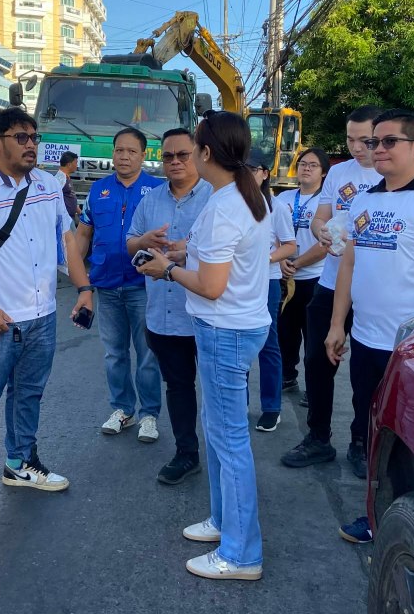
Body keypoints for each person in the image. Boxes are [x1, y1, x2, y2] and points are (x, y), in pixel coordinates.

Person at [0, 107, 94, 524]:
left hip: (43, 315)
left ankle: (21, 463)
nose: (32, 144)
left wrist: (84, 289)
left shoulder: (48, 184)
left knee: (29, 394)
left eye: (34, 137)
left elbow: (67, 242)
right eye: (21, 137)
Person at [138, 111, 271, 581]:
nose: (186, 156)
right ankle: (224, 521)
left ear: (207, 153)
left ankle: (241, 554)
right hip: (238, 326)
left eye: (191, 147)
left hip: (224, 330)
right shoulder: (241, 196)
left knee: (230, 441)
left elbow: (212, 286)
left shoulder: (225, 205)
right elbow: (221, 258)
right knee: (220, 433)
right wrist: (179, 253)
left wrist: (167, 271)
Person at [327, 109, 414, 544]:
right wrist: (337, 324)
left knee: (412, 442)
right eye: (373, 142)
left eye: (389, 142)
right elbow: (349, 263)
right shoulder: (365, 198)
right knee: (372, 429)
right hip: (367, 340)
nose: (378, 149)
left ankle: (411, 525)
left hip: (413, 348)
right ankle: (375, 515)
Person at [280, 106, 382, 472]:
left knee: (368, 372)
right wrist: (322, 229)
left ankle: (361, 443)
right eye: (350, 139)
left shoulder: (392, 177)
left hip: (372, 288)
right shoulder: (338, 172)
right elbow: (323, 215)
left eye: (364, 140)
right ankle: (318, 437)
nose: (356, 147)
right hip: (331, 281)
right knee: (317, 362)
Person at [126, 128, 212, 484]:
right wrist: (143, 242)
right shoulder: (151, 200)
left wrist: (183, 252)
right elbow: (131, 244)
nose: (175, 162)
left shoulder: (216, 198)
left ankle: (227, 457)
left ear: (200, 155)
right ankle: (186, 453)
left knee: (219, 389)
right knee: (178, 387)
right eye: (168, 156)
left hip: (207, 313)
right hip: (163, 314)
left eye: (182, 155)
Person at [76, 128, 164, 441]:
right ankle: (123, 409)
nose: (124, 156)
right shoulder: (97, 190)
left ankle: (149, 414)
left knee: (147, 355)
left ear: (143, 155)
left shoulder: (158, 191)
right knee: (114, 354)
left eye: (131, 151)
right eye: (119, 150)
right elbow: (83, 236)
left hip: (143, 286)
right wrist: (80, 281)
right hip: (107, 286)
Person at [275, 148, 329, 406]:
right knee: (284, 331)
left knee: (314, 337)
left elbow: (326, 244)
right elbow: (271, 232)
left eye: (313, 165)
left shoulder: (326, 203)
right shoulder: (283, 197)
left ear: (324, 173)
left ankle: (314, 386)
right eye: (303, 163)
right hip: (283, 276)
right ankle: (287, 375)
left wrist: (295, 263)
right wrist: (281, 259)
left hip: (314, 278)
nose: (306, 168)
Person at [248, 158, 296, 433]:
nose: (246, 174)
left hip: (266, 282)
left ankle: (271, 408)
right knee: (238, 343)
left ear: (265, 173)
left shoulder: (276, 207)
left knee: (268, 344)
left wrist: (263, 259)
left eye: (252, 169)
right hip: (238, 283)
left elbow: (290, 245)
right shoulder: (235, 203)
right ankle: (238, 403)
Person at [56, 150, 80, 220]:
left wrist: (79, 212)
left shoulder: (66, 177)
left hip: (69, 217)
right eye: (75, 163)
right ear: (69, 164)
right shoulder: (60, 179)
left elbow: (70, 196)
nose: (76, 166)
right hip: (65, 218)